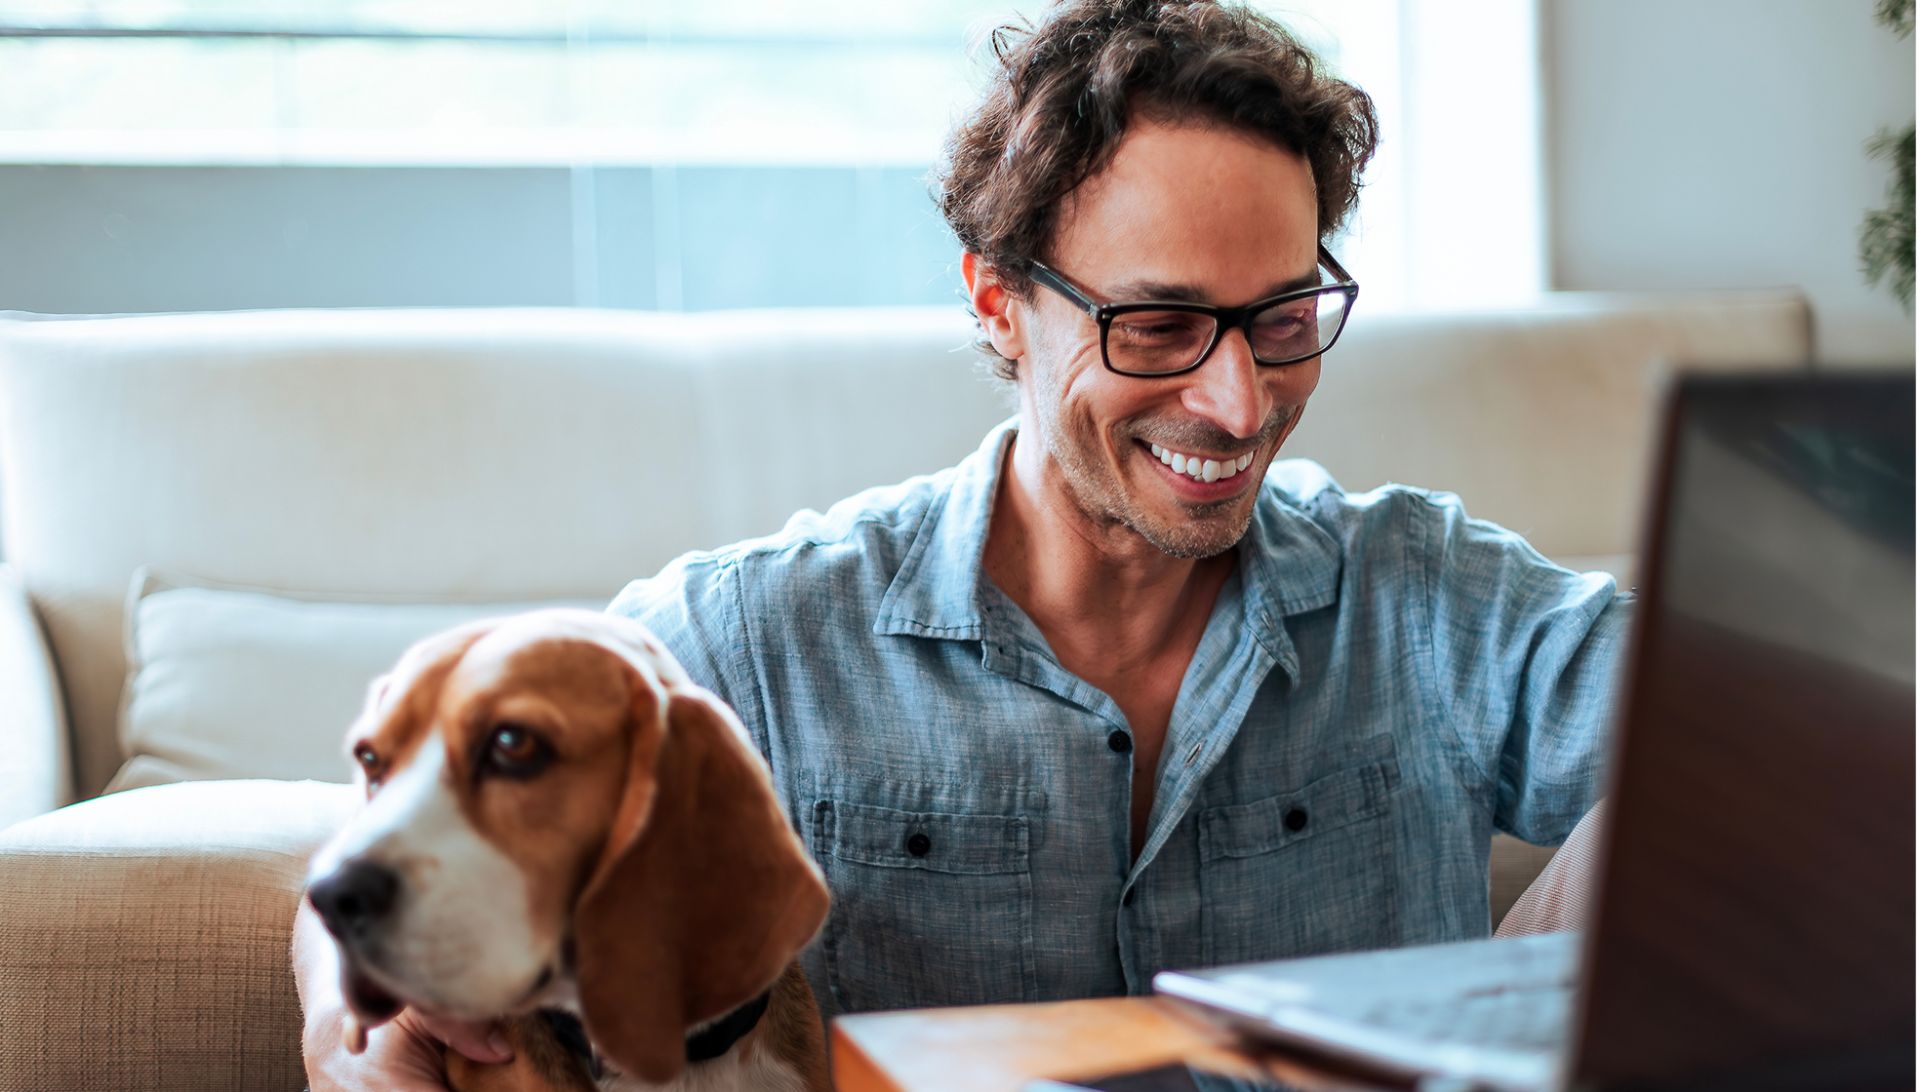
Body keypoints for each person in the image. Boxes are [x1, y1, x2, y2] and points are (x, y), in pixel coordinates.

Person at [297, 1, 1628, 1086]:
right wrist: (347, 1021)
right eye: (1156, 326)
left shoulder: (1431, 598)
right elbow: (366, 818)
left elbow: (1771, 734)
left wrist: (1502, 1004)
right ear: (1000, 301)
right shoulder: (766, 638)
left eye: (1282, 318)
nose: (1237, 403)